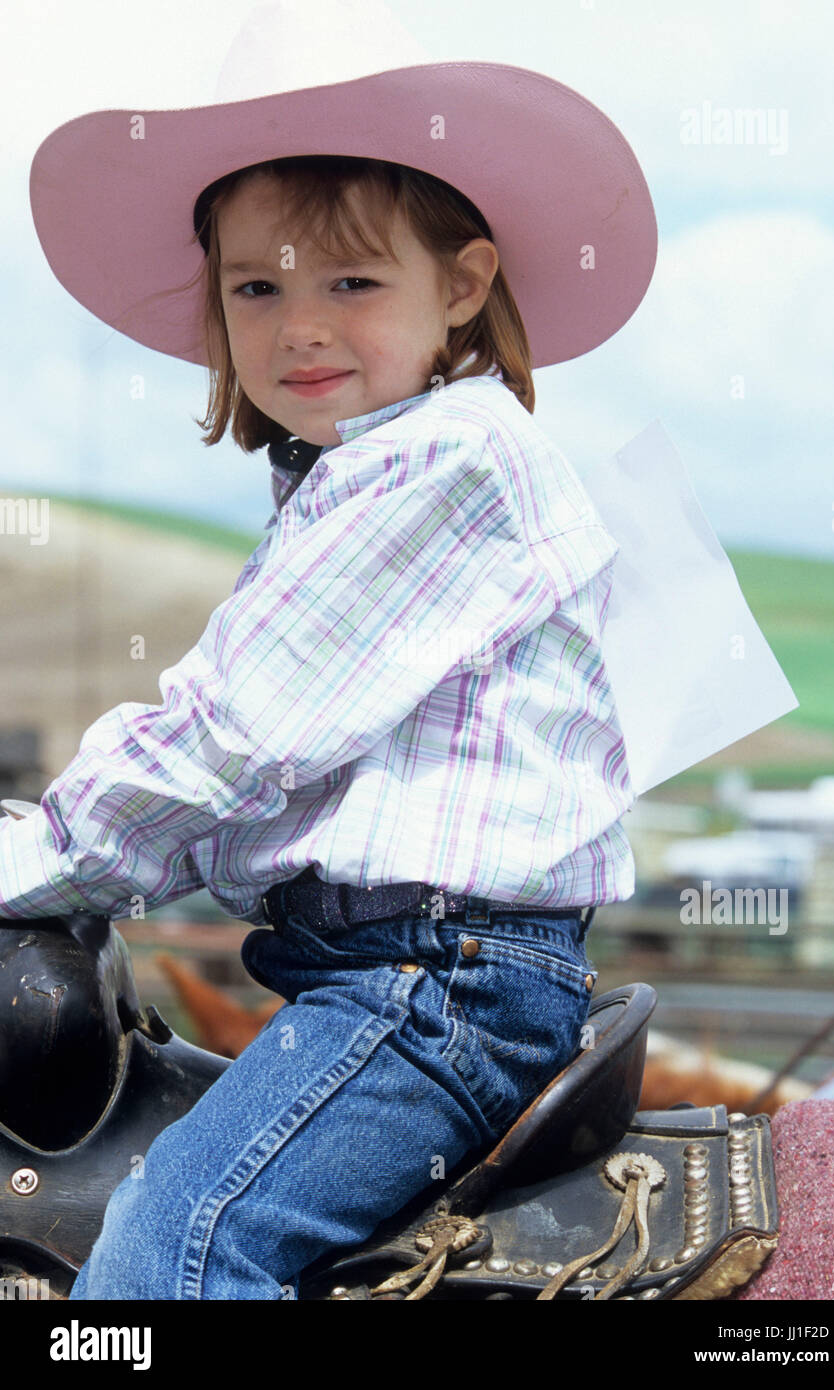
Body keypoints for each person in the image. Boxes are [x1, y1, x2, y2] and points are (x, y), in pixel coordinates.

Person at [2, 50, 657, 1298]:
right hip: (377, 971)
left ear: (464, 286)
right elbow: (246, 793)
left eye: (351, 280)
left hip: (433, 989)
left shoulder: (446, 465)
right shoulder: (356, 483)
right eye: (256, 286)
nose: (299, 324)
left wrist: (37, 858)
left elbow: (231, 739)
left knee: (178, 1247)